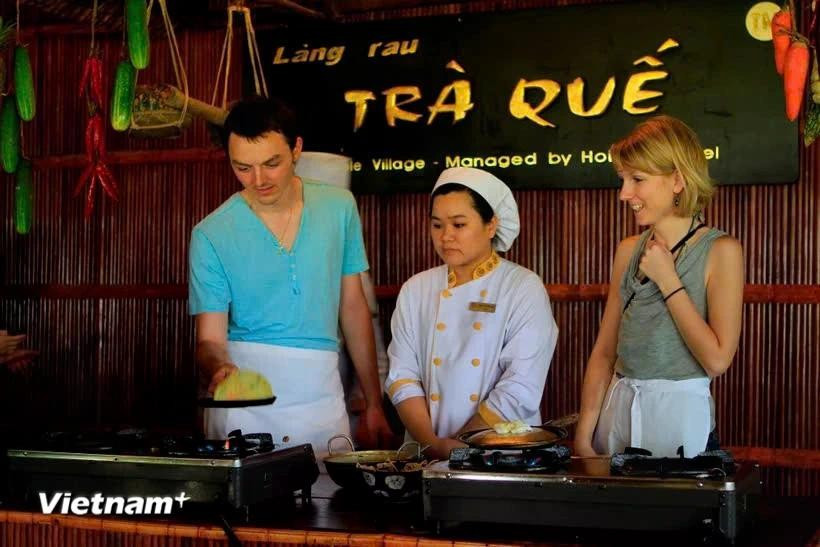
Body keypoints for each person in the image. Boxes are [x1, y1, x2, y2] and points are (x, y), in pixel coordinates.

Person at [188, 96, 392, 458]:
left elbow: (353, 307)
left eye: (272, 164)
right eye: (243, 167)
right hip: (244, 401)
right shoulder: (211, 233)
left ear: (296, 149)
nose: (259, 180)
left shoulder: (339, 208)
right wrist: (219, 368)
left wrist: (373, 403)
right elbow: (209, 339)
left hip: (320, 395)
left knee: (326, 488)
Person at [575, 115, 744, 458]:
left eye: (637, 179)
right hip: (616, 414)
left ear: (678, 180)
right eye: (623, 179)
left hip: (681, 421)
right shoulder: (628, 251)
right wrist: (582, 439)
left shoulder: (721, 251)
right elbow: (605, 352)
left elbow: (717, 361)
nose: (624, 194)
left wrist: (668, 281)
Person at [386, 167, 559, 459]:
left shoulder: (522, 287)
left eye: (459, 224)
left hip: (498, 452)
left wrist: (461, 446)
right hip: (425, 453)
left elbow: (519, 386)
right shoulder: (416, 289)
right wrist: (432, 444)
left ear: (491, 225)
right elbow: (402, 377)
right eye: (437, 225)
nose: (446, 236)